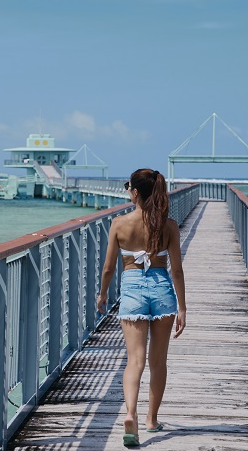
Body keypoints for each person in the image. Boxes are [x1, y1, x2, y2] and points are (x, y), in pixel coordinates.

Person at [96, 168, 187, 447]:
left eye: (128, 187)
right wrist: (182, 307)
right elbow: (177, 271)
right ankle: (151, 419)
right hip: (162, 291)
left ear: (135, 192)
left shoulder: (119, 224)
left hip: (133, 290)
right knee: (158, 362)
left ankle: (131, 414)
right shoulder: (168, 225)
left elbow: (109, 268)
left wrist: (102, 295)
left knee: (134, 360)